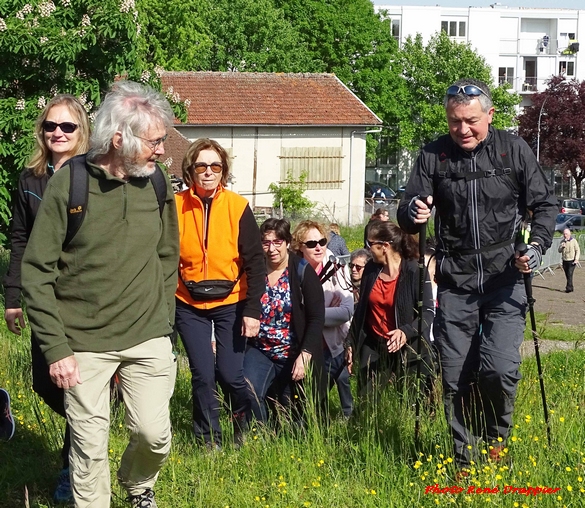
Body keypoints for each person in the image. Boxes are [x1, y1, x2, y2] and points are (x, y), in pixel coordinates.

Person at [21, 81, 179, 508]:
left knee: (154, 435)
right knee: (88, 452)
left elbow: (168, 255)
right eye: (155, 142)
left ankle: (137, 483)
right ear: (118, 139)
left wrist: (165, 323)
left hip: (147, 334)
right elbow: (36, 272)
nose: (163, 150)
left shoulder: (156, 182)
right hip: (83, 342)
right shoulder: (69, 185)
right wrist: (56, 349)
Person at [397, 78, 557, 474]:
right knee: (455, 377)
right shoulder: (433, 155)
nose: (462, 130)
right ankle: (464, 461)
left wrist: (535, 247)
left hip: (506, 279)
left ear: (490, 115)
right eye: (454, 122)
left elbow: (545, 205)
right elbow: (406, 208)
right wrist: (413, 211)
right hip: (455, 281)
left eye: (470, 120)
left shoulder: (513, 149)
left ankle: (495, 441)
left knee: (499, 368)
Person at [3, 94, 90, 502]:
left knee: (79, 387)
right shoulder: (30, 178)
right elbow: (18, 239)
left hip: (85, 296)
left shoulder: (92, 175)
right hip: (42, 296)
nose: (58, 133)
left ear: (81, 132)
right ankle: (92, 430)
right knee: (45, 381)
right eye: (50, 126)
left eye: (67, 127)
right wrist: (13, 296)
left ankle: (74, 468)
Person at [174, 138, 265, 449]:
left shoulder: (238, 207)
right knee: (202, 374)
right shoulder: (175, 206)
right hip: (188, 302)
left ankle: (243, 421)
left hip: (231, 300)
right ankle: (208, 440)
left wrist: (253, 311)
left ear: (223, 171)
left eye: (215, 166)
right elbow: (165, 255)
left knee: (229, 374)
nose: (209, 172)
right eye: (202, 166)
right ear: (191, 170)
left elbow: (256, 262)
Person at [244, 218, 325, 424]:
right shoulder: (255, 271)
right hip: (260, 349)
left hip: (292, 351)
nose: (272, 248)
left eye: (277, 242)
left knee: (292, 414)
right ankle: (259, 436)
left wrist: (305, 355)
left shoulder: (302, 271)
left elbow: (316, 318)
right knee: (248, 389)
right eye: (266, 242)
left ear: (287, 243)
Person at [349, 221, 435, 397]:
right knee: (366, 403)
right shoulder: (371, 270)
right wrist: (350, 342)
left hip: (409, 347)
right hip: (374, 344)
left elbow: (427, 312)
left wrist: (405, 332)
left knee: (411, 401)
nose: (367, 249)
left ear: (385, 246)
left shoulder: (414, 269)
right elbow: (362, 309)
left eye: (370, 244)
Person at [292, 221, 354, 418]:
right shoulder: (293, 272)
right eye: (311, 244)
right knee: (304, 401)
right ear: (299, 247)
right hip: (301, 347)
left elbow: (346, 312)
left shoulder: (338, 270)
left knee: (321, 400)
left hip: (331, 346)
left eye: (322, 241)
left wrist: (312, 315)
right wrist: (326, 312)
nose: (318, 247)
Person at [558, 228, 580, 293]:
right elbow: (559, 250)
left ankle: (568, 288)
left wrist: (576, 259)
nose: (565, 235)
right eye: (564, 234)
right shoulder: (562, 242)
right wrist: (562, 247)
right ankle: (571, 287)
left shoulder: (574, 241)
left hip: (572, 260)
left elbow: (577, 250)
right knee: (567, 274)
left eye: (566, 234)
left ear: (569, 234)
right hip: (565, 260)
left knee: (570, 273)